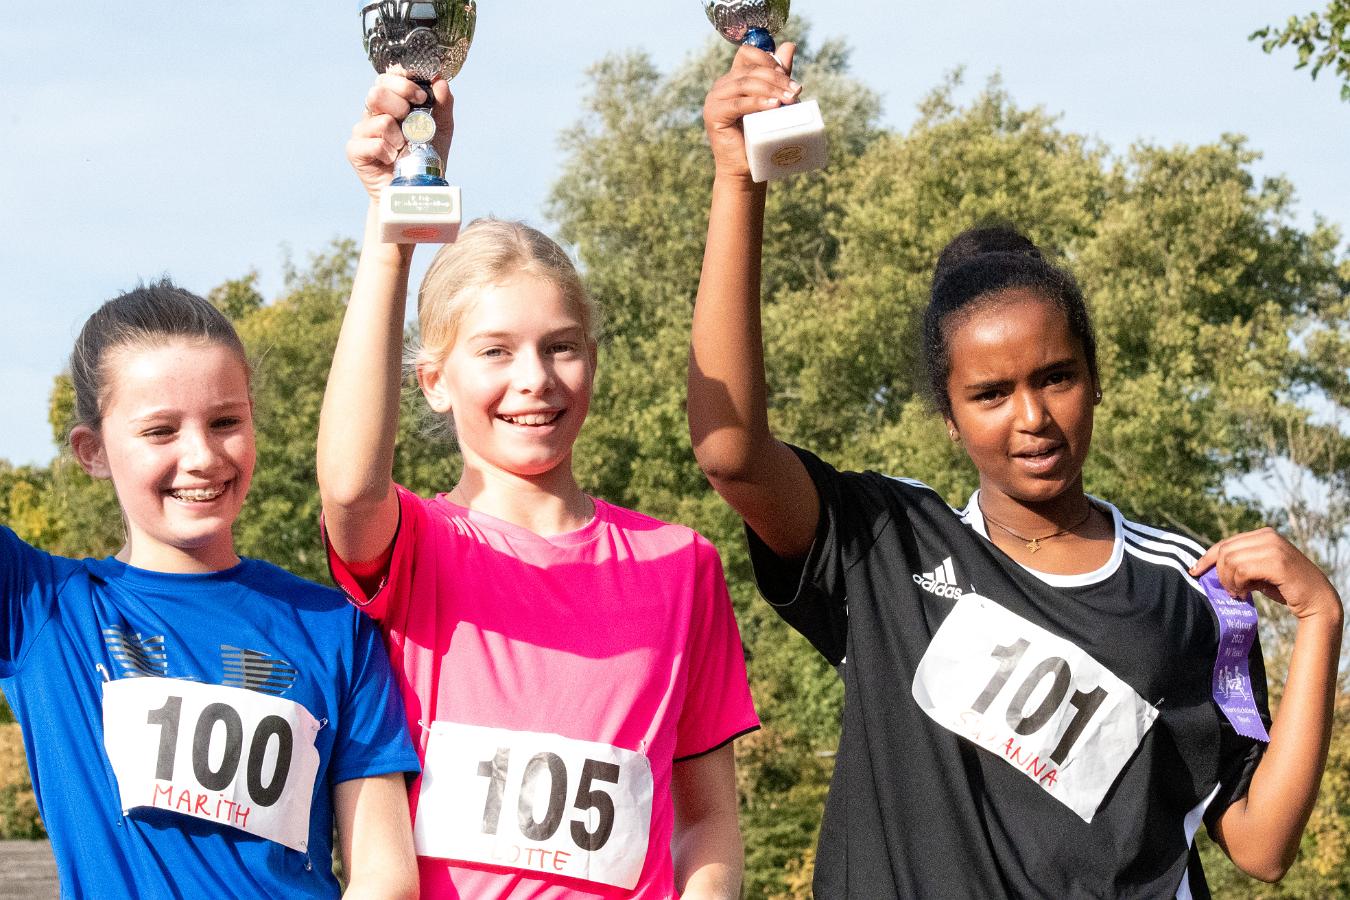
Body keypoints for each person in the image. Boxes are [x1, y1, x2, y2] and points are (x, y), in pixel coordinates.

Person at [689, 43, 1344, 898]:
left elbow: (1261, 845)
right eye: (991, 394)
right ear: (949, 416)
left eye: (1056, 377)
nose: (1031, 417)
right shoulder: (884, 546)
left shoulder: (1190, 589)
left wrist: (1321, 617)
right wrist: (738, 180)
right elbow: (732, 453)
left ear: (1096, 379)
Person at [318, 72, 759, 900]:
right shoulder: (411, 545)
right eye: (495, 351)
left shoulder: (683, 564)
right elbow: (347, 488)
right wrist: (390, 226)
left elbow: (708, 824)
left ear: (591, 359)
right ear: (434, 381)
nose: (536, 379)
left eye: (561, 346)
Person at [0, 282, 420, 898]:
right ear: (92, 452)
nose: (201, 455)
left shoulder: (335, 624)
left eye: (225, 422)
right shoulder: (41, 608)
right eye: (160, 431)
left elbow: (386, 874)